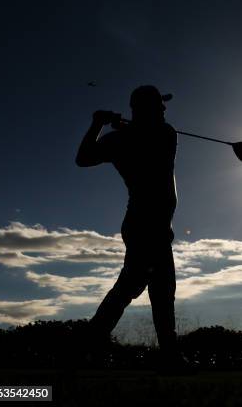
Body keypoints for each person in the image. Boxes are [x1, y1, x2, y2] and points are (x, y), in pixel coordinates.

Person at [76, 85, 179, 367]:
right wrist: (103, 125)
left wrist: (101, 124)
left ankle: (168, 357)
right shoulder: (143, 135)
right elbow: (82, 160)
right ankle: (86, 348)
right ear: (147, 109)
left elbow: (89, 155)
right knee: (136, 289)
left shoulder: (137, 137)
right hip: (145, 226)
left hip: (153, 226)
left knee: (157, 291)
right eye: (159, 105)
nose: (164, 109)